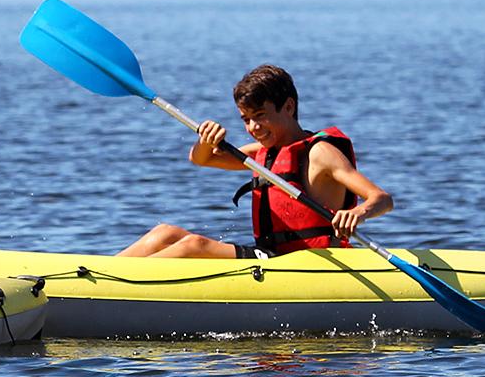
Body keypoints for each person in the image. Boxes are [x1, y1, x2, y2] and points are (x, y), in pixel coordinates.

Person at [117, 64, 392, 259]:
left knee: (195, 246)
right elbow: (200, 159)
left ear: (288, 107)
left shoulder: (319, 153)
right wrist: (205, 139)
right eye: (245, 119)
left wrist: (358, 213)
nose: (253, 127)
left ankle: (114, 289)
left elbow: (381, 198)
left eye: (260, 115)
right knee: (165, 233)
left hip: (310, 262)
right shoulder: (264, 153)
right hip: (272, 257)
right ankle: (93, 274)